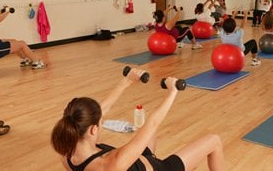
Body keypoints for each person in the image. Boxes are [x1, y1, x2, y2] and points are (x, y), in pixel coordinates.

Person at [51, 68, 225, 171]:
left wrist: (127, 81)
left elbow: (99, 112)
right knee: (214, 140)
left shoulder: (67, 154)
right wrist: (173, 91)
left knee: (150, 133)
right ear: (93, 129)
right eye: (98, 123)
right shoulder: (112, 162)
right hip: (159, 169)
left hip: (141, 161)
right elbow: (154, 122)